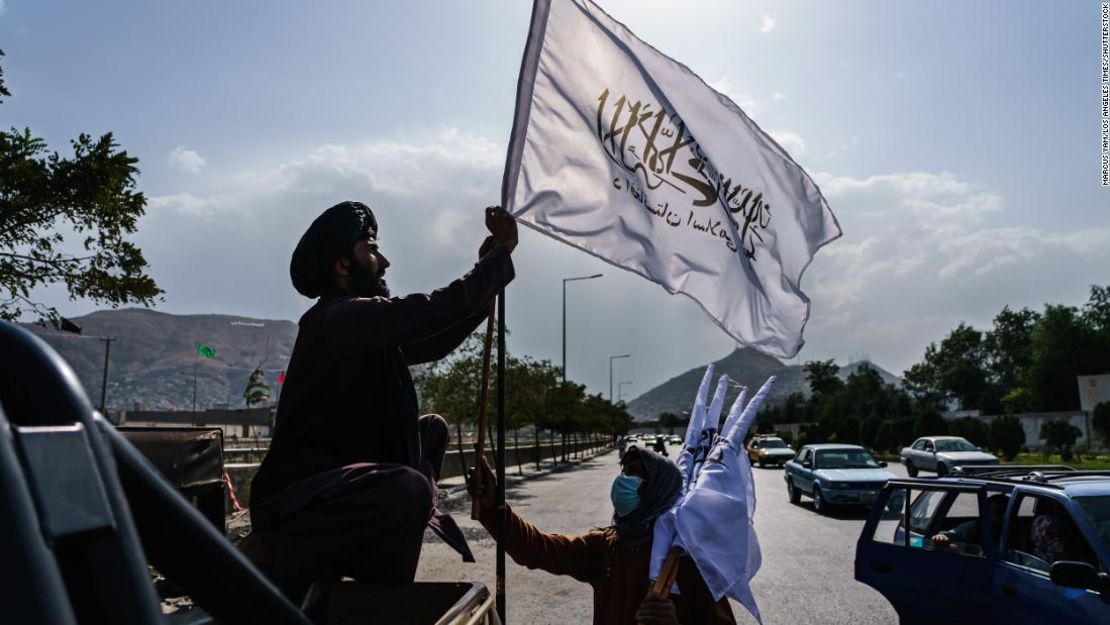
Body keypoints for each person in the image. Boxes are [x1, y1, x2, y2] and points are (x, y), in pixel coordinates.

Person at [242, 201, 517, 598]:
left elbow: (436, 337)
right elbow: (432, 311)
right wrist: (498, 258)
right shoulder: (343, 318)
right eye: (371, 247)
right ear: (342, 265)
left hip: (339, 482)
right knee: (409, 488)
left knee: (432, 430)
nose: (384, 260)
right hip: (301, 500)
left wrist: (488, 278)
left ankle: (374, 554)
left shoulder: (363, 327)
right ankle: (271, 548)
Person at [467, 445, 736, 625]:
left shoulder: (686, 558)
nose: (623, 482)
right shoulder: (605, 545)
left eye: (635, 475)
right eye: (624, 473)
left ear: (657, 490)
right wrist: (495, 508)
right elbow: (536, 549)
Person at [931, 493, 1008, 551]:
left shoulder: (1013, 530)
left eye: (1001, 512)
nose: (999, 517)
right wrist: (941, 537)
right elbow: (952, 534)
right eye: (994, 512)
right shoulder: (975, 526)